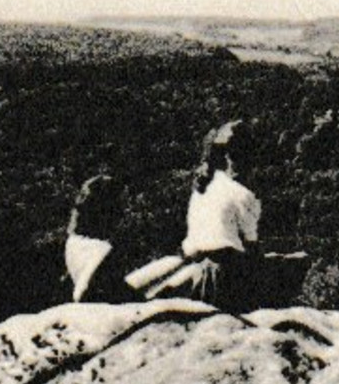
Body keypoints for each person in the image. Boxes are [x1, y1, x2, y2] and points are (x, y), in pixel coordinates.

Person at [140, 120, 262, 309]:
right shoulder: (243, 195)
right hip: (222, 276)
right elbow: (251, 247)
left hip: (192, 265)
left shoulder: (201, 190)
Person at [63, 173, 131, 303]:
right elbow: (82, 291)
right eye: (119, 206)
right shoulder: (103, 250)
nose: (123, 212)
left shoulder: (73, 240)